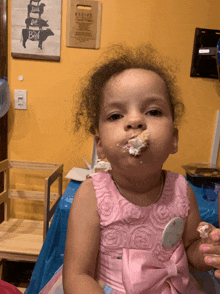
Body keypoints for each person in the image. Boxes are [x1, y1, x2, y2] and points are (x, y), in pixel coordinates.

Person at [62, 44, 220, 293]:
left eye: (153, 111)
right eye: (116, 116)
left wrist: (208, 251)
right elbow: (77, 276)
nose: (135, 121)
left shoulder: (182, 190)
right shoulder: (91, 196)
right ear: (100, 146)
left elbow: (191, 254)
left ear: (174, 139)